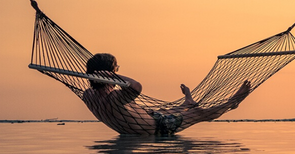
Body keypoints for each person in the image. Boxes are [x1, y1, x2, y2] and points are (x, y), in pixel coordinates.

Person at [80, 53, 251, 136]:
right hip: (159, 128)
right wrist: (114, 77)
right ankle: (233, 101)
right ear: (109, 73)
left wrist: (106, 78)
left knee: (165, 110)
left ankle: (187, 103)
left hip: (150, 119)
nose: (118, 71)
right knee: (200, 113)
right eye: (117, 68)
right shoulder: (115, 98)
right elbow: (137, 87)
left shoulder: (88, 95)